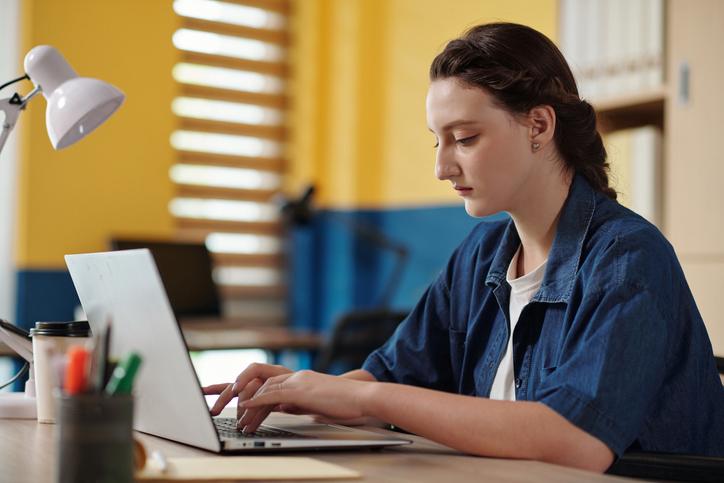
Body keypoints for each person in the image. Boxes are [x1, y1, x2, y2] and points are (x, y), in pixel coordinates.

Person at [203, 22, 724, 472]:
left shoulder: (628, 256)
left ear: (539, 125)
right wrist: (307, 393)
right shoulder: (483, 254)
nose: (442, 167)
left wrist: (361, 394)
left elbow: (575, 440)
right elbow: (391, 378)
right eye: (438, 139)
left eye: (465, 138)